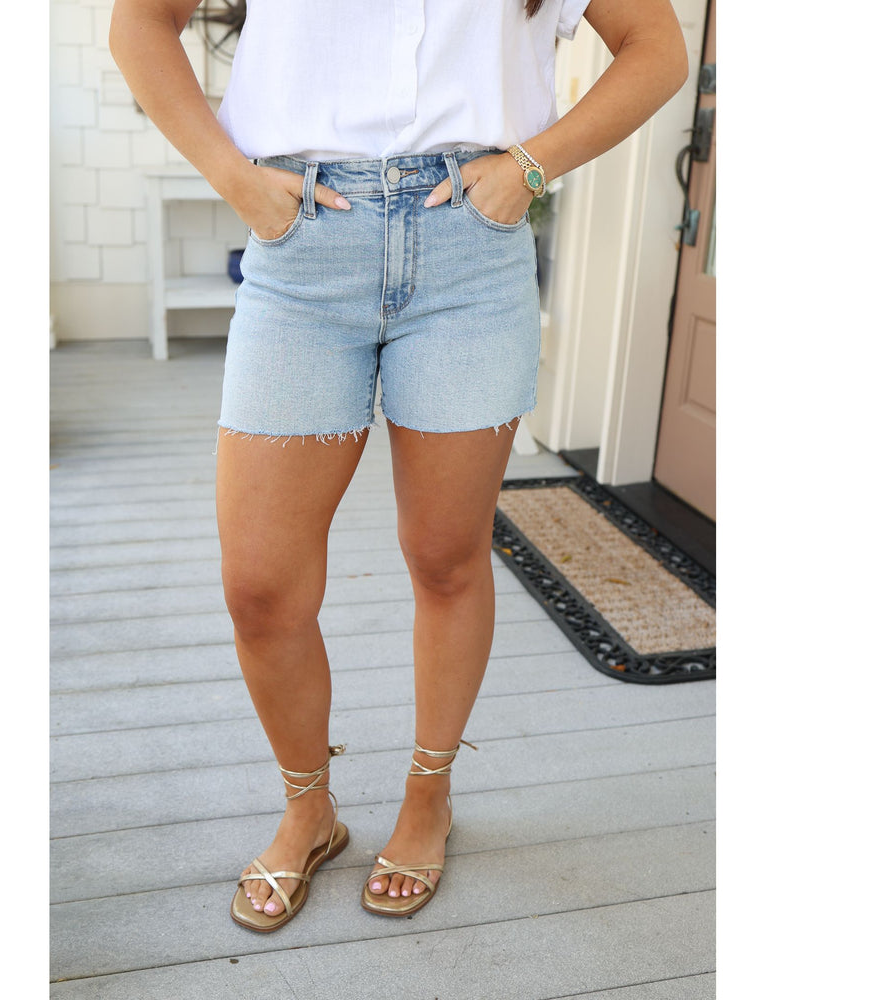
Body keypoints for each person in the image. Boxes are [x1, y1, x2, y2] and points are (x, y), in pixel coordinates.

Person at [109, 0, 688, 932]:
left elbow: (657, 46)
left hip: (469, 244)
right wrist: (232, 175)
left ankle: (429, 797)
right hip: (302, 244)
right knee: (260, 584)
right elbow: (141, 19)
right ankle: (310, 809)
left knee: (446, 558)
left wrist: (531, 167)